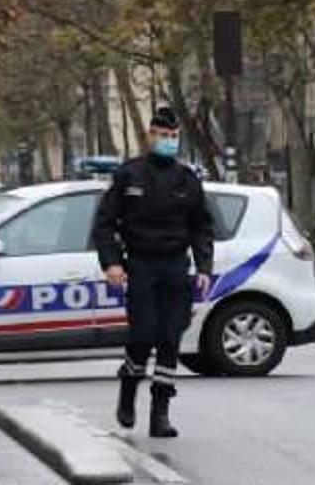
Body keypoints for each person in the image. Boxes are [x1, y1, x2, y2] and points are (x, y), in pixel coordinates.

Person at [91, 106, 213, 438]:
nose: (168, 141)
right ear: (150, 136)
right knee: (143, 337)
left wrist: (204, 266)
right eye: (162, 135)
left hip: (176, 266)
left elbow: (201, 226)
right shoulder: (129, 175)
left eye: (174, 136)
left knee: (170, 340)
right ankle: (129, 386)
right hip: (142, 264)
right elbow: (105, 224)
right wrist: (112, 262)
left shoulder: (187, 179)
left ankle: (160, 413)